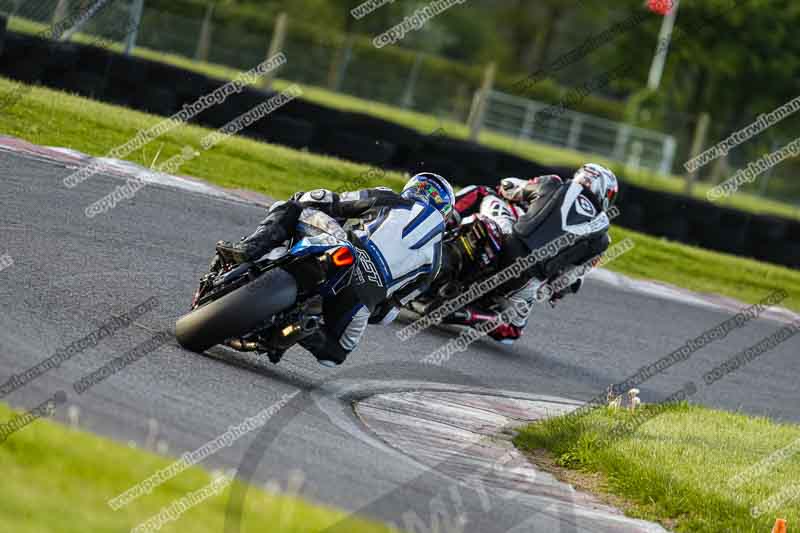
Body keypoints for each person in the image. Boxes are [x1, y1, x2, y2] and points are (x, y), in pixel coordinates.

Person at [216, 172, 455, 366]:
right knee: (335, 354)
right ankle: (300, 328)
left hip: (343, 248)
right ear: (445, 210)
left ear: (413, 187)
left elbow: (335, 202)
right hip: (363, 297)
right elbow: (387, 314)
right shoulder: (434, 263)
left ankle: (248, 249)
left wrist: (308, 199)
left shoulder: (392, 198)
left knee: (292, 208)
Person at [445, 164, 618, 344]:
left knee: (482, 192)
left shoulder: (554, 183)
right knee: (511, 332)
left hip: (508, 240)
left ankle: (445, 220)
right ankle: (466, 314)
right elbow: (568, 281)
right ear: (605, 194)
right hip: (527, 278)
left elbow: (509, 188)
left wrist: (518, 196)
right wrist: (554, 291)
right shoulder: (602, 239)